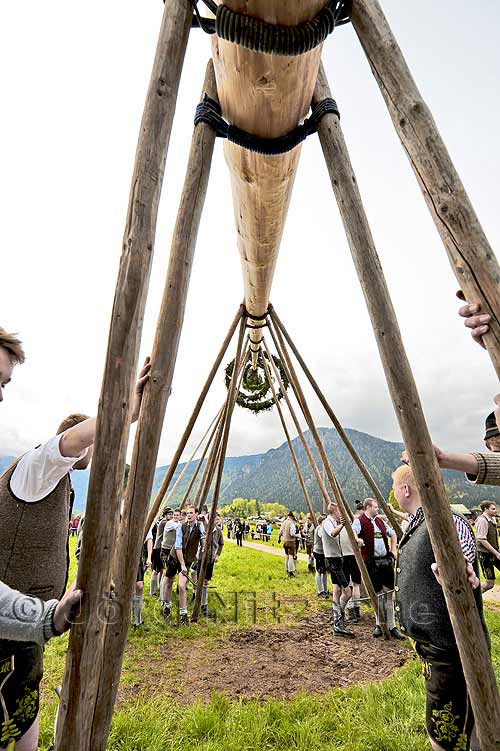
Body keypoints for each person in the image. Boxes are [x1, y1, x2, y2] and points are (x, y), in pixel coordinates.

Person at [0, 357, 150, 751]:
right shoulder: (37, 468)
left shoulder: (58, 482)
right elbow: (66, 445)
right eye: (96, 444)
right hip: (5, 623)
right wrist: (124, 411)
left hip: (25, 621)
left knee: (25, 698)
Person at [392, 463, 487, 751]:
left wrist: (463, 569)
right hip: (438, 647)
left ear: (406, 489)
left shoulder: (446, 519)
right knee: (455, 724)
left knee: (447, 734)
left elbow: (463, 560)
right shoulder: (421, 520)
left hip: (453, 648)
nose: (394, 492)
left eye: (395, 487)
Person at [353, 499, 404, 640]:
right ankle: (379, 624)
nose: (378, 509)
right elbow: (353, 532)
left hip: (385, 561)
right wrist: (358, 539)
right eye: (376, 507)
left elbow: (392, 534)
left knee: (389, 593)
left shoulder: (380, 521)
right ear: (368, 507)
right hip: (372, 562)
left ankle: (392, 626)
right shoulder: (360, 520)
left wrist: (393, 551)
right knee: (378, 594)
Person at [163, 505, 205, 625]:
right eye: (188, 513)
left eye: (191, 513)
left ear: (196, 515)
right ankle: (167, 606)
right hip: (175, 557)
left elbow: (204, 538)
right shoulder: (181, 527)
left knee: (182, 586)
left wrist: (202, 551)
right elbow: (178, 546)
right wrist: (182, 565)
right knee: (169, 581)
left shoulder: (200, 526)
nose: (189, 515)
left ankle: (183, 614)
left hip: (188, 558)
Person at [322, 503, 353, 638]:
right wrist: (342, 525)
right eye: (340, 510)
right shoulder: (327, 522)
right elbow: (333, 533)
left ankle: (338, 621)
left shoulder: (333, 521)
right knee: (347, 592)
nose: (341, 512)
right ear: (334, 510)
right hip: (333, 560)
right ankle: (338, 620)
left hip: (336, 559)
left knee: (337, 591)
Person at [338, 522, 362, 625]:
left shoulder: (339, 530)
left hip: (344, 557)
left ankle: (348, 612)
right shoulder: (354, 529)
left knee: (348, 586)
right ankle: (355, 612)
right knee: (356, 585)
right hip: (354, 557)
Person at [201, 514, 224, 617]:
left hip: (210, 559)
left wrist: (217, 554)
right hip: (201, 558)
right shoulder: (204, 527)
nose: (218, 520)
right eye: (216, 518)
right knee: (198, 580)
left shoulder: (218, 530)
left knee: (205, 581)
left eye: (218, 519)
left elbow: (221, 543)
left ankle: (203, 605)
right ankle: (196, 600)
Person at [475, 500, 500, 593]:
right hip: (485, 555)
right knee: (490, 584)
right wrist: (496, 553)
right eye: (493, 509)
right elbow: (481, 539)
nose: (495, 510)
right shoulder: (482, 520)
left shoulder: (492, 519)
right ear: (485, 509)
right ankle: (475, 596)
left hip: (495, 553)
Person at [150, 508, 171, 597]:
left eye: (171, 513)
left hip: (162, 548)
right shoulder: (164, 522)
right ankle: (152, 592)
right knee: (155, 570)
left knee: (162, 570)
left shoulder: (166, 522)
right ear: (165, 515)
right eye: (169, 514)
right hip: (158, 548)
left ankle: (159, 588)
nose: (171, 515)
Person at [278, 512, 299, 577]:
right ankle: (290, 572)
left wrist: (279, 539)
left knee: (286, 557)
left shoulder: (284, 522)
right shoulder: (291, 523)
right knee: (291, 557)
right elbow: (292, 534)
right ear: (292, 517)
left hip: (285, 542)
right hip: (290, 542)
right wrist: (298, 535)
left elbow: (280, 532)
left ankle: (287, 570)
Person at [313, 514, 328, 598]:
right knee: (319, 571)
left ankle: (325, 590)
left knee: (324, 571)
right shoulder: (320, 528)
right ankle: (320, 591)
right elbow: (324, 538)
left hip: (322, 552)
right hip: (319, 552)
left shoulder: (321, 528)